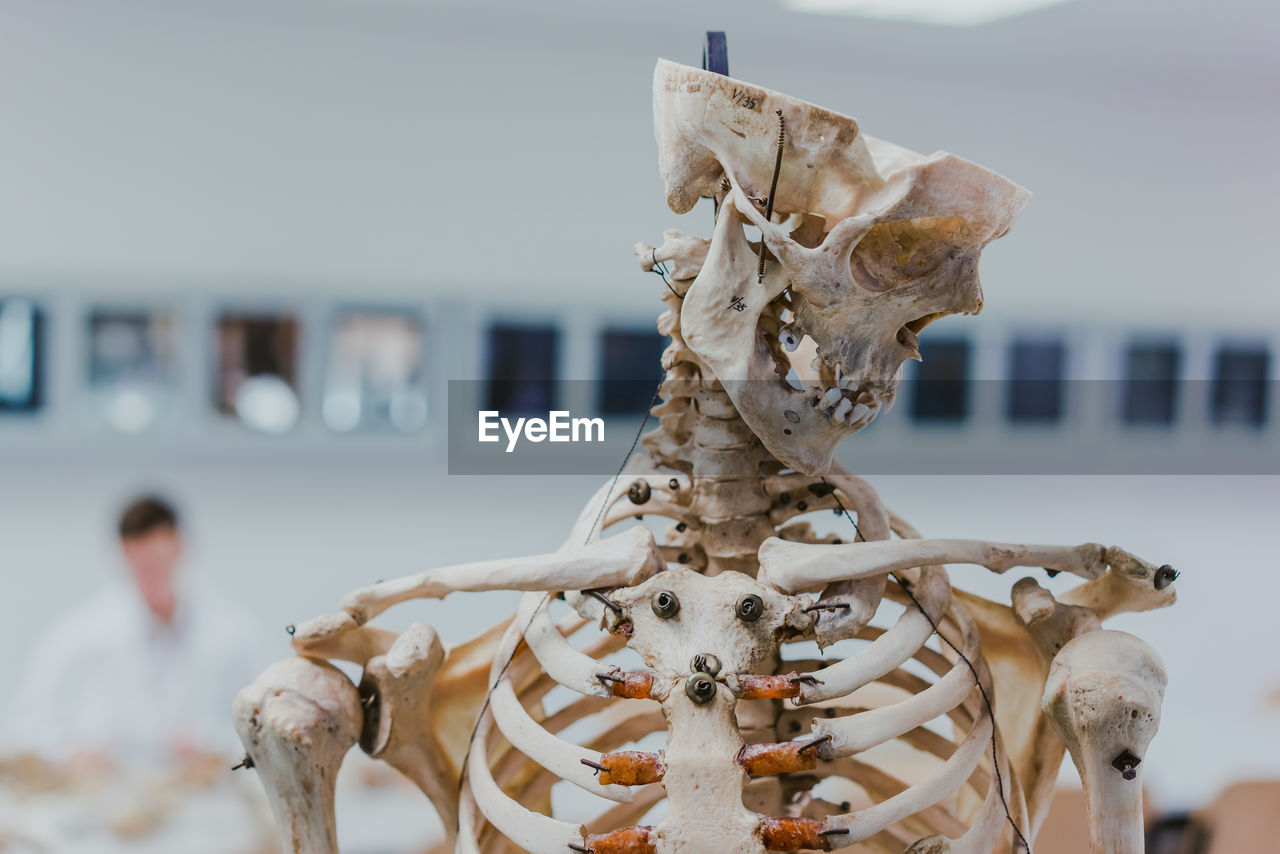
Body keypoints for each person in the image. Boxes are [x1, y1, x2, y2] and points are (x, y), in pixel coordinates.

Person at [8, 495, 271, 771]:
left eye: (158, 562)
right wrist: (72, 754)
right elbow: (27, 728)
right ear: (122, 554)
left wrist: (216, 752)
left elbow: (270, 733)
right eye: (141, 565)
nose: (151, 577)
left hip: (210, 805)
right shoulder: (77, 638)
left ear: (180, 546)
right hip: (106, 803)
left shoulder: (235, 637)